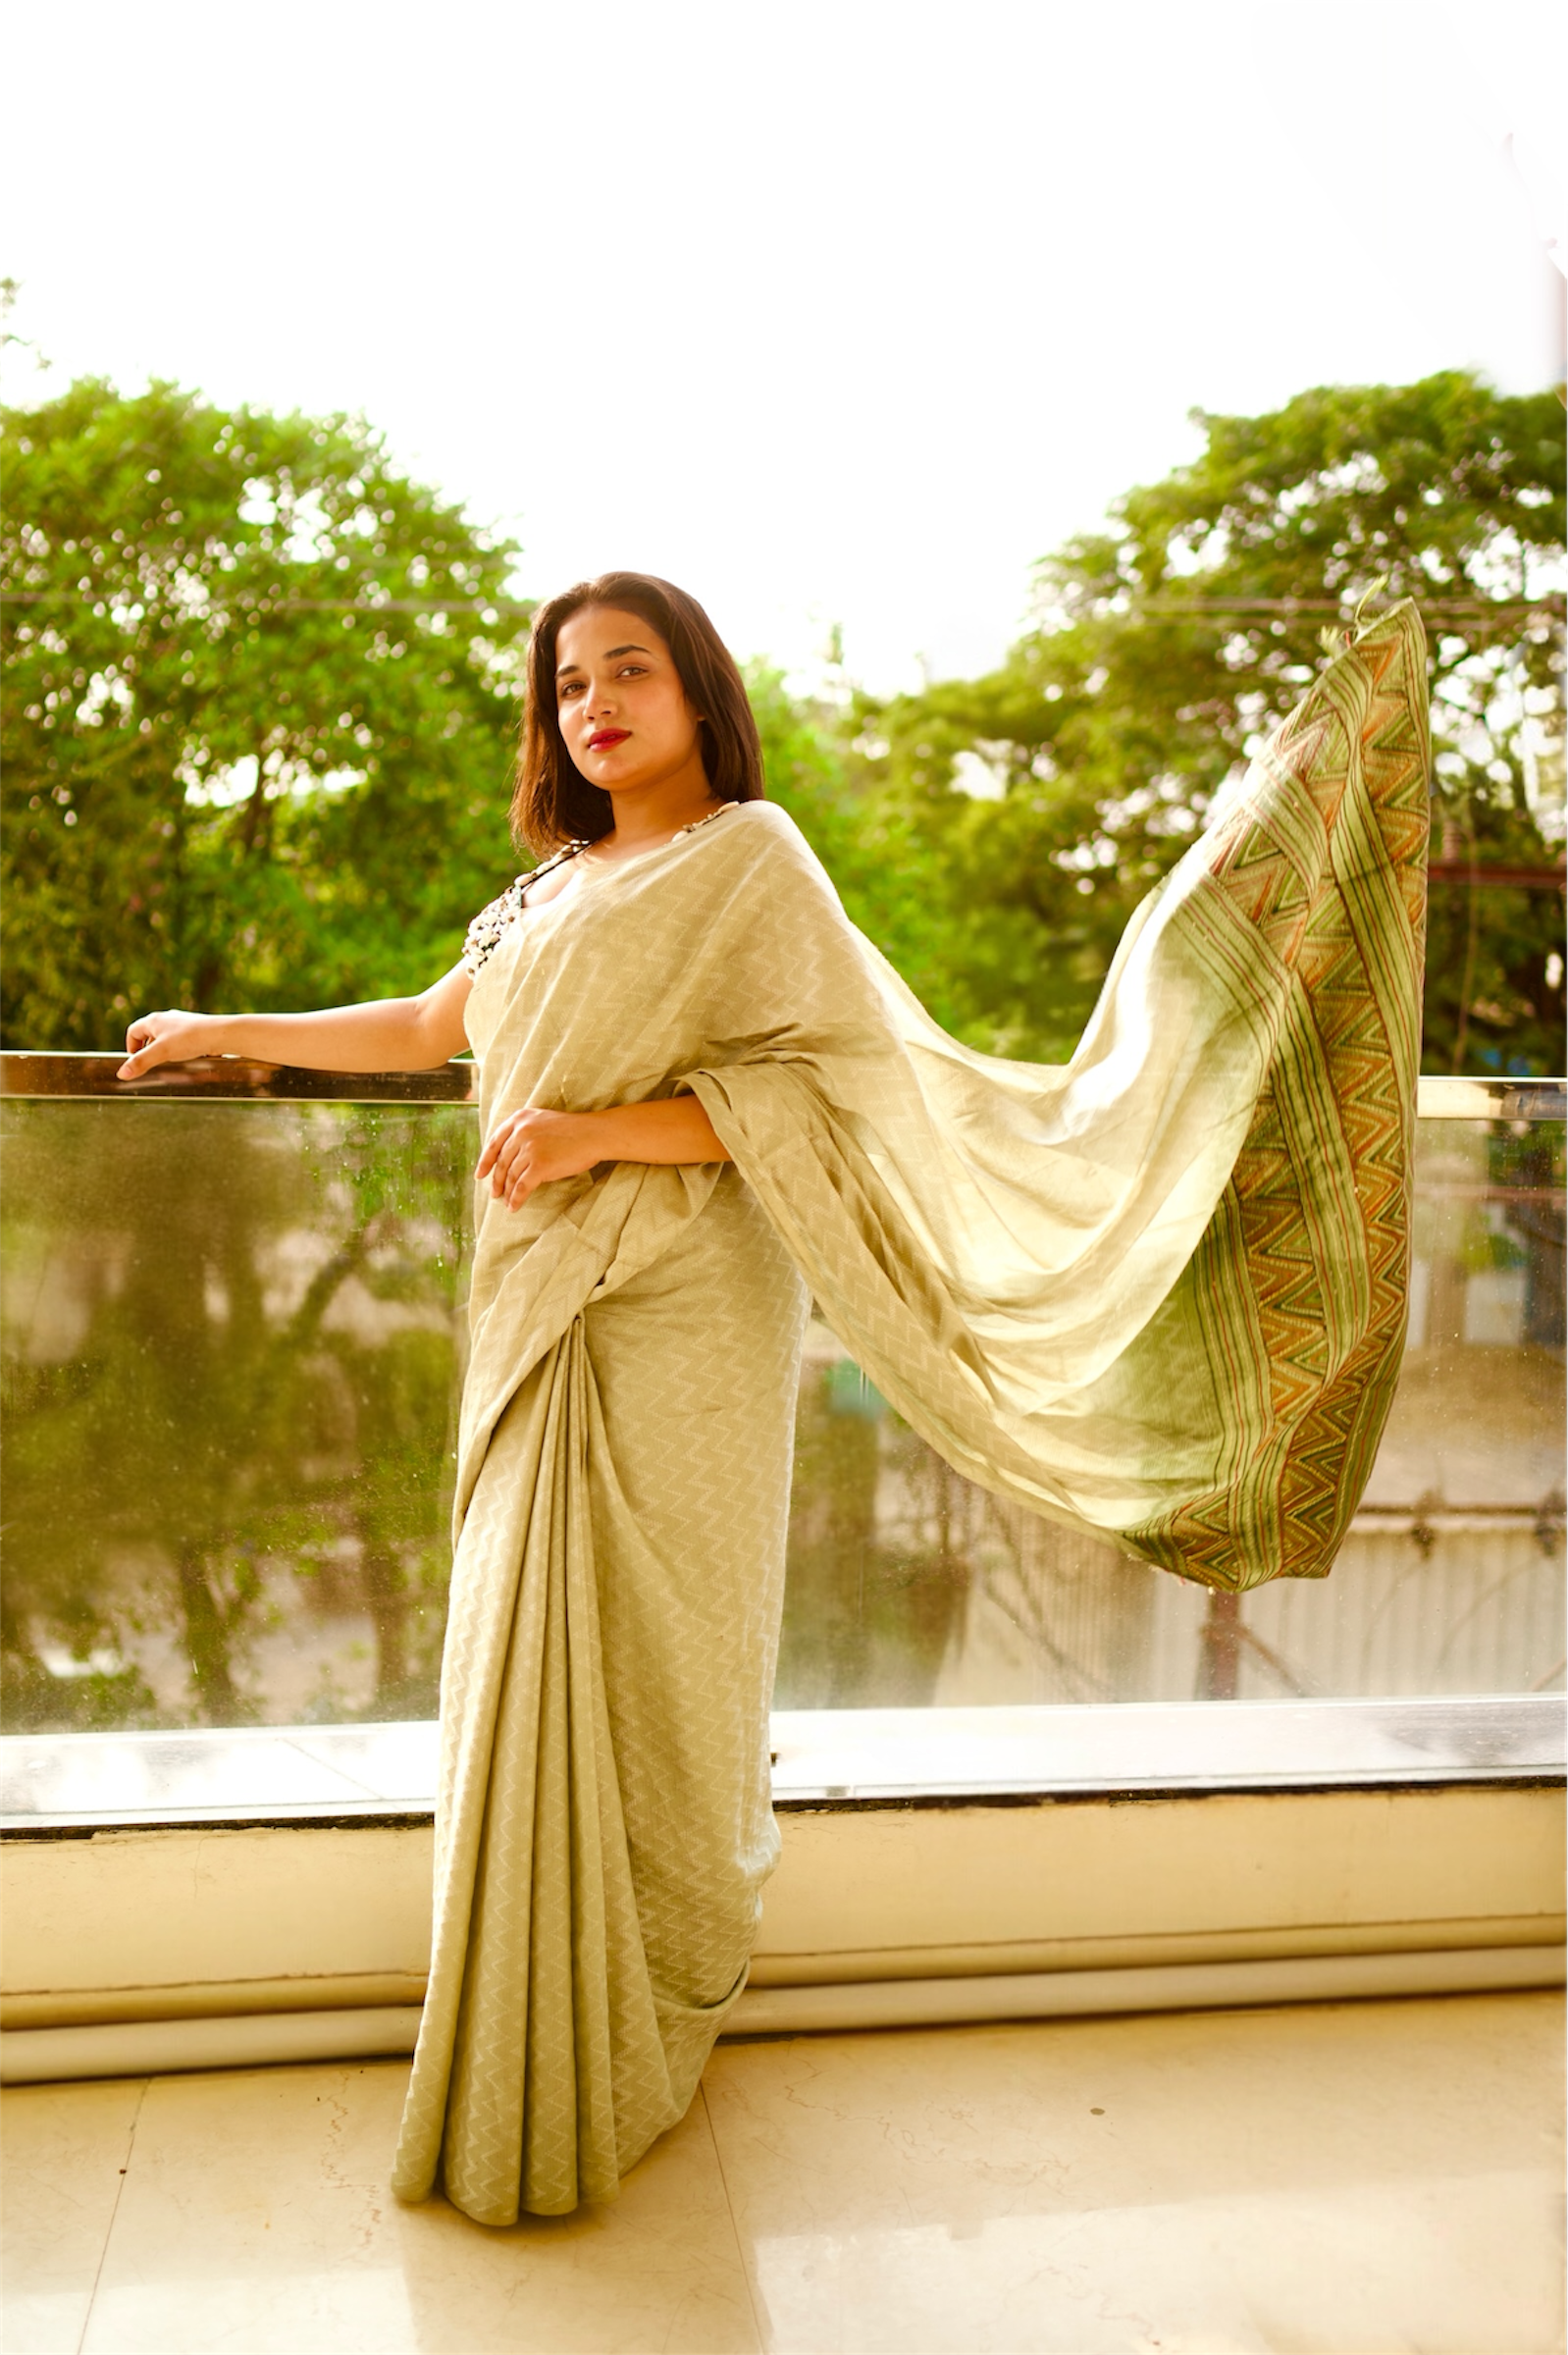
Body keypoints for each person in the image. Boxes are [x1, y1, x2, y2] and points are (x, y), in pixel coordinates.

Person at [119, 570, 1431, 2223]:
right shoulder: (542, 893)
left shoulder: (751, 857)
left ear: (695, 695)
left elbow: (834, 1090)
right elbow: (431, 1031)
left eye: (629, 672)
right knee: (517, 1647)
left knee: (661, 1650)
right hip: (540, 1306)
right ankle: (527, 2016)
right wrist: (222, 1026)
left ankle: (638, 2010)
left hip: (679, 1310)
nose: (594, 703)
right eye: (568, 682)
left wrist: (605, 1134)